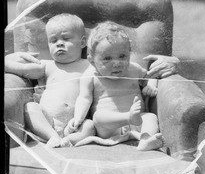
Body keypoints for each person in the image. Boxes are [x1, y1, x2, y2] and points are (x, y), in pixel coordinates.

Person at [66, 21, 165, 151]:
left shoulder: (133, 69)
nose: (117, 63)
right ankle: (127, 117)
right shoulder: (90, 75)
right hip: (108, 128)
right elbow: (84, 98)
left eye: (122, 56)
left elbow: (149, 76)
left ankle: (146, 140)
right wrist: (78, 117)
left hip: (136, 123)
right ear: (92, 61)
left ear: (130, 54)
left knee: (150, 117)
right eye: (107, 58)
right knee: (98, 116)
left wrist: (151, 84)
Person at [5, 13, 96, 148]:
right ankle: (52, 136)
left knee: (90, 126)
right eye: (53, 41)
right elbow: (21, 69)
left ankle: (69, 140)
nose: (59, 43)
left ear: (82, 42)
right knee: (31, 107)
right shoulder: (47, 66)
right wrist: (9, 58)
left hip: (76, 122)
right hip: (47, 120)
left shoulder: (89, 66)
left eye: (65, 38)